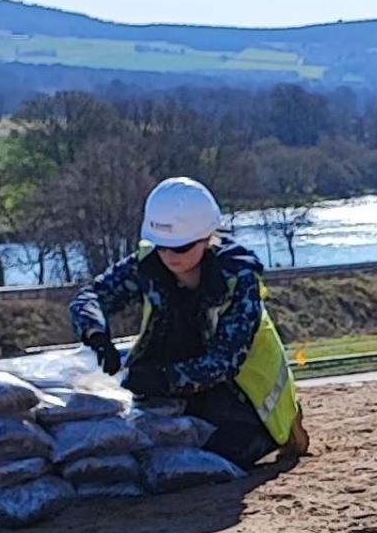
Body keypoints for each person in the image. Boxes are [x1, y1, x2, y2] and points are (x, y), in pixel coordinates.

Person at [68, 177, 306, 468]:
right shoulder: (148, 263)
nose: (169, 256)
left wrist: (162, 379)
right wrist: (96, 333)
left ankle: (289, 429)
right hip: (177, 379)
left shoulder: (238, 280)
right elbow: (92, 295)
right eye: (161, 246)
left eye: (180, 247)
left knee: (215, 456)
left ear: (207, 238)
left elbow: (223, 362)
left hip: (242, 395)